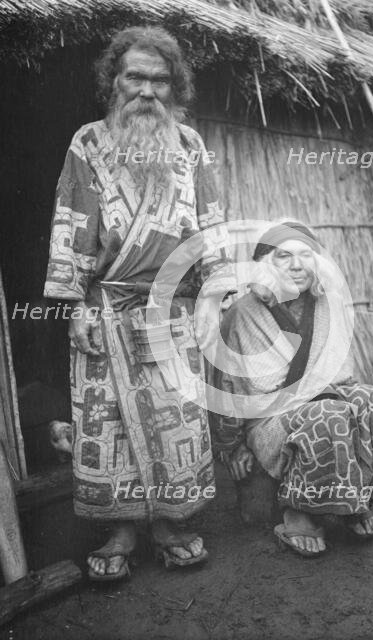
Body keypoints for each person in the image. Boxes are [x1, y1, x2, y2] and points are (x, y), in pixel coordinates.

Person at [44, 26, 235, 580]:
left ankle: (170, 524)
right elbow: (71, 223)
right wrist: (74, 304)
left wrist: (213, 296)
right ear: (114, 80)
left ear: (174, 86)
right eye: (135, 77)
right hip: (105, 308)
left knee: (177, 417)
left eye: (159, 79)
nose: (147, 91)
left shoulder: (192, 146)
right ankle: (120, 528)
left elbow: (212, 224)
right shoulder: (88, 143)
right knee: (108, 426)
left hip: (173, 309)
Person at [211, 221, 373, 557]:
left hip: (324, 400)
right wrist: (232, 447)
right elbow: (228, 388)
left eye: (306, 256)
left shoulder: (329, 305)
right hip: (267, 420)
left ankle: (353, 499)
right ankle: (299, 511)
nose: (297, 265)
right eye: (284, 257)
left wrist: (333, 398)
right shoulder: (242, 315)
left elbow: (343, 375)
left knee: (372, 401)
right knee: (328, 411)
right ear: (266, 266)